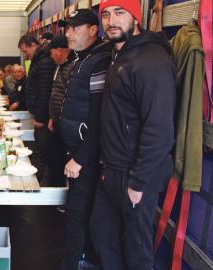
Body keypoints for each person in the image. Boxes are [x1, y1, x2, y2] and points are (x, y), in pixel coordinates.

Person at [90, 1, 176, 269]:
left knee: (137, 252)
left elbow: (160, 130)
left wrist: (138, 183)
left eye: (120, 13)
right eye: (106, 14)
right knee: (102, 235)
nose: (111, 20)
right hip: (113, 169)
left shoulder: (151, 61)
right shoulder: (120, 55)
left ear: (136, 18)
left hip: (136, 175)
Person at [58, 9, 112, 270]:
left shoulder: (99, 61)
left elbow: (99, 116)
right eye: (67, 28)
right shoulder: (82, 59)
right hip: (76, 151)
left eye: (75, 28)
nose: (68, 33)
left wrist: (80, 158)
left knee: (77, 217)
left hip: (86, 158)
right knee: (78, 215)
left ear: (93, 30)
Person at [18, 34, 56, 183]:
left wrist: (40, 118)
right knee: (40, 148)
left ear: (33, 45)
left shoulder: (44, 62)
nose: (24, 55)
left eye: (25, 51)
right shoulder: (38, 60)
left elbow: (44, 91)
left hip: (43, 117)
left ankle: (42, 181)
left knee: (43, 149)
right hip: (39, 114)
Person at [46, 35, 76, 187]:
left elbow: (70, 97)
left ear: (59, 51)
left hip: (67, 124)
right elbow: (56, 92)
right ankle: (55, 188)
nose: (51, 57)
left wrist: (63, 119)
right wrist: (52, 116)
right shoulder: (60, 65)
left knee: (62, 159)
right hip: (57, 121)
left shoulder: (73, 66)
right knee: (54, 157)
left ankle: (61, 195)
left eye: (51, 53)